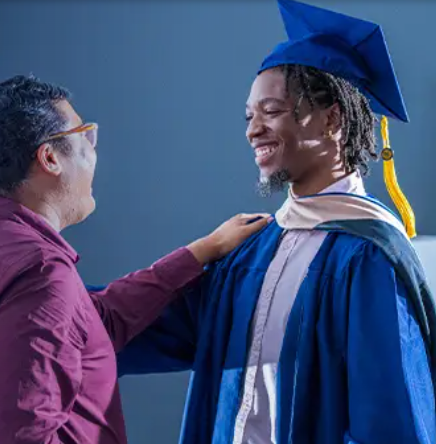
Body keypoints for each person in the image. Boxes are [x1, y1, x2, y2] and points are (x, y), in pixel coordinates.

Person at [116, 1, 436, 443]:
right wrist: (38, 291)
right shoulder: (251, 247)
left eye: (271, 111)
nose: (252, 130)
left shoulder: (366, 257)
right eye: (249, 116)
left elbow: (389, 413)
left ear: (333, 119)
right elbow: (133, 325)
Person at [0, 75, 271, 444]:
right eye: (84, 137)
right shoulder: (39, 275)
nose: (93, 153)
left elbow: (92, 322)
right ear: (50, 158)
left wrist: (200, 252)